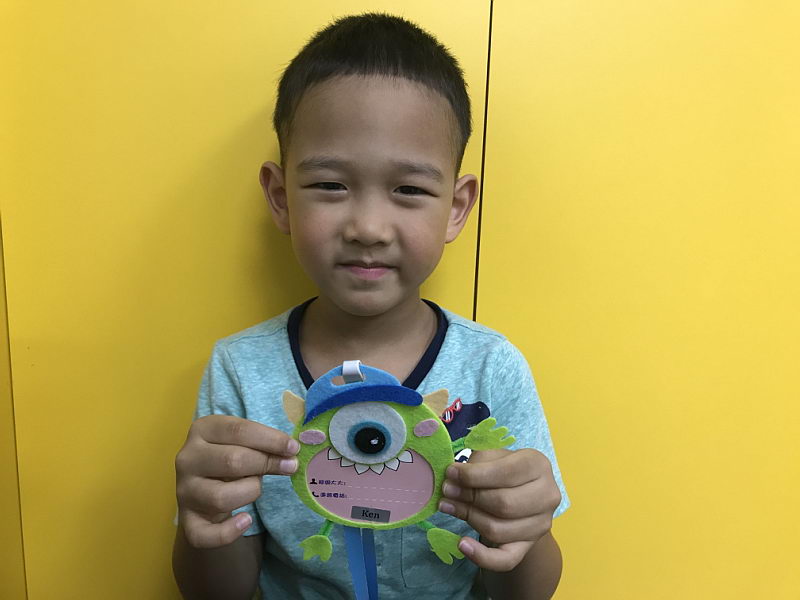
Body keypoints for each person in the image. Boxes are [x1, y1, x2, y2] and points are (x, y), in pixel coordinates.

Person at [173, 12, 570, 600]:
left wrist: (525, 532)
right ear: (280, 198)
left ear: (456, 208)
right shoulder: (239, 370)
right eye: (330, 185)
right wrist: (205, 518)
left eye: (409, 189)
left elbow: (526, 592)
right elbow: (215, 592)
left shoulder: (492, 367)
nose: (368, 227)